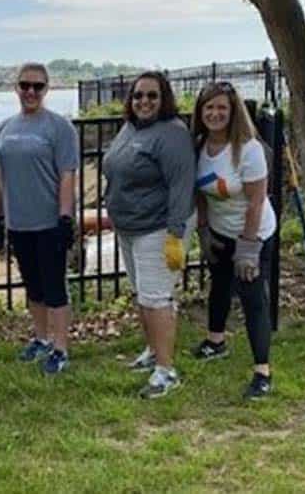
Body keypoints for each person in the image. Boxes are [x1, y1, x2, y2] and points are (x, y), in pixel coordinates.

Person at [102, 71, 195, 399]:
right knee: (142, 294)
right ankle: (154, 351)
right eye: (138, 95)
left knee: (156, 299)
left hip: (157, 229)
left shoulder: (172, 134)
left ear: (164, 99)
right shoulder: (129, 128)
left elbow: (182, 186)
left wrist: (175, 234)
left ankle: (167, 371)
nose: (144, 101)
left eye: (152, 96)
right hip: (129, 227)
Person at [0, 62, 79, 374]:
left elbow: (67, 174)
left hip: (48, 221)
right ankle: (40, 339)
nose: (30, 92)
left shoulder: (59, 128)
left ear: (46, 89)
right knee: (33, 288)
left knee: (55, 288)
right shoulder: (5, 128)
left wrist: (65, 218)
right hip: (18, 222)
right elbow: (0, 175)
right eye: (25, 85)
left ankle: (60, 347)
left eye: (37, 87)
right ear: (16, 87)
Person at [191, 81, 277, 400]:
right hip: (219, 232)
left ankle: (262, 372)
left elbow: (256, 201)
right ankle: (216, 341)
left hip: (254, 233)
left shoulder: (248, 149)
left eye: (222, 108)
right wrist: (203, 230)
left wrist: (248, 250)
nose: (215, 114)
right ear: (201, 113)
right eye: (209, 108)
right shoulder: (198, 147)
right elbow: (200, 192)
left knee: (253, 298)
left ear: (233, 112)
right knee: (219, 286)